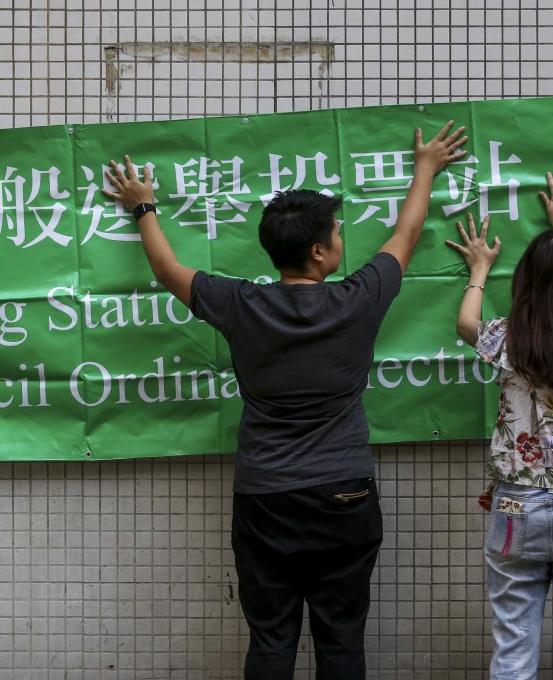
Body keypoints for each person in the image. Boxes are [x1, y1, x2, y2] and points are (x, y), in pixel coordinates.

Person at [101, 121, 467, 679]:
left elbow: (167, 270)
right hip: (344, 493)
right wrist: (425, 168)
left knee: (270, 640)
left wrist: (144, 207)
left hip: (265, 497)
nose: (345, 238)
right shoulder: (358, 299)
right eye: (339, 231)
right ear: (320, 251)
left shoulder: (240, 304)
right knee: (341, 639)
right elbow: (406, 235)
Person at [445, 175, 553, 680]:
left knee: (514, 646)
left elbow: (467, 325)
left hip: (518, 505)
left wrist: (479, 269)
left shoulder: (511, 337)